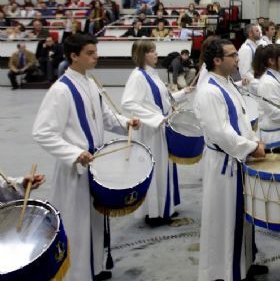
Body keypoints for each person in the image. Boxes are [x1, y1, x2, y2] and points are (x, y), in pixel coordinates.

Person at [32, 34, 141, 281]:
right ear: (74, 56)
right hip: (75, 168)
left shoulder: (91, 83)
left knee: (94, 221)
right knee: (76, 224)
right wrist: (73, 153)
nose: (96, 56)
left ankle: (94, 268)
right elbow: (42, 132)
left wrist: (126, 123)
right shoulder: (60, 90)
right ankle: (77, 275)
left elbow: (105, 117)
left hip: (96, 165)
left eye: (96, 51)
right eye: (90, 53)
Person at [193, 39, 268, 281]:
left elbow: (243, 120)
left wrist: (253, 140)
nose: (238, 59)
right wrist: (251, 147)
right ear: (217, 61)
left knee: (242, 218)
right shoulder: (209, 91)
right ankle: (225, 272)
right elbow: (221, 132)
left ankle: (244, 264)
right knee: (224, 221)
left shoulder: (226, 84)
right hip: (224, 164)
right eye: (232, 55)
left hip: (238, 160)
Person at [122, 40, 193, 227]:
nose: (156, 54)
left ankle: (164, 207)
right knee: (156, 169)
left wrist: (184, 92)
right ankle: (154, 213)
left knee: (165, 168)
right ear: (142, 55)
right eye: (151, 51)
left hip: (161, 127)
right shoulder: (138, 76)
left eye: (155, 51)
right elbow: (128, 103)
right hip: (151, 131)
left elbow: (165, 100)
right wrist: (156, 118)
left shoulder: (151, 74)